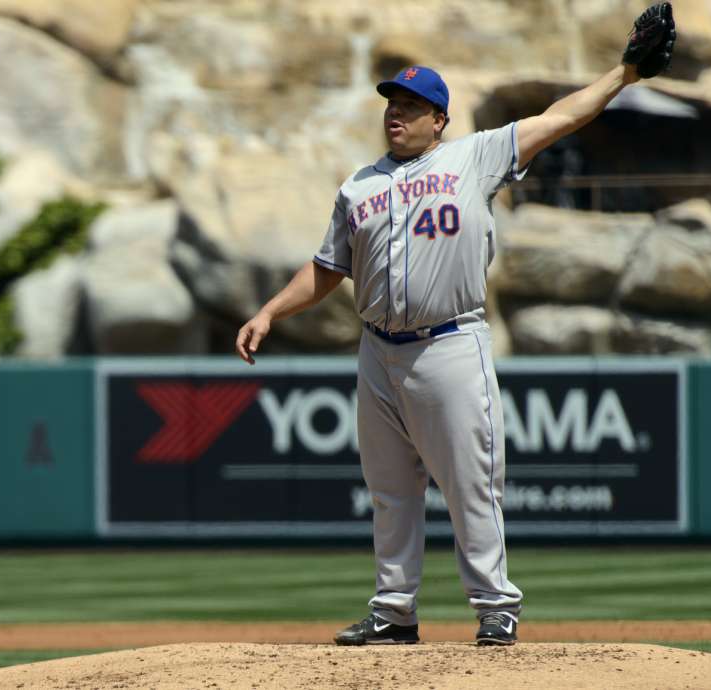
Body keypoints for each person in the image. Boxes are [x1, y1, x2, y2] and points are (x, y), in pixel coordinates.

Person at [234, 4, 674, 647]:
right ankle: (394, 611)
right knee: (388, 490)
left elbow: (562, 116)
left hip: (449, 343)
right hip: (377, 350)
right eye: (393, 102)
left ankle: (495, 606)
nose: (397, 113)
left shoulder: (476, 157)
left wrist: (625, 73)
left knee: (471, 482)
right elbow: (329, 269)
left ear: (439, 120)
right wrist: (271, 311)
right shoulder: (358, 187)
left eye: (412, 105)